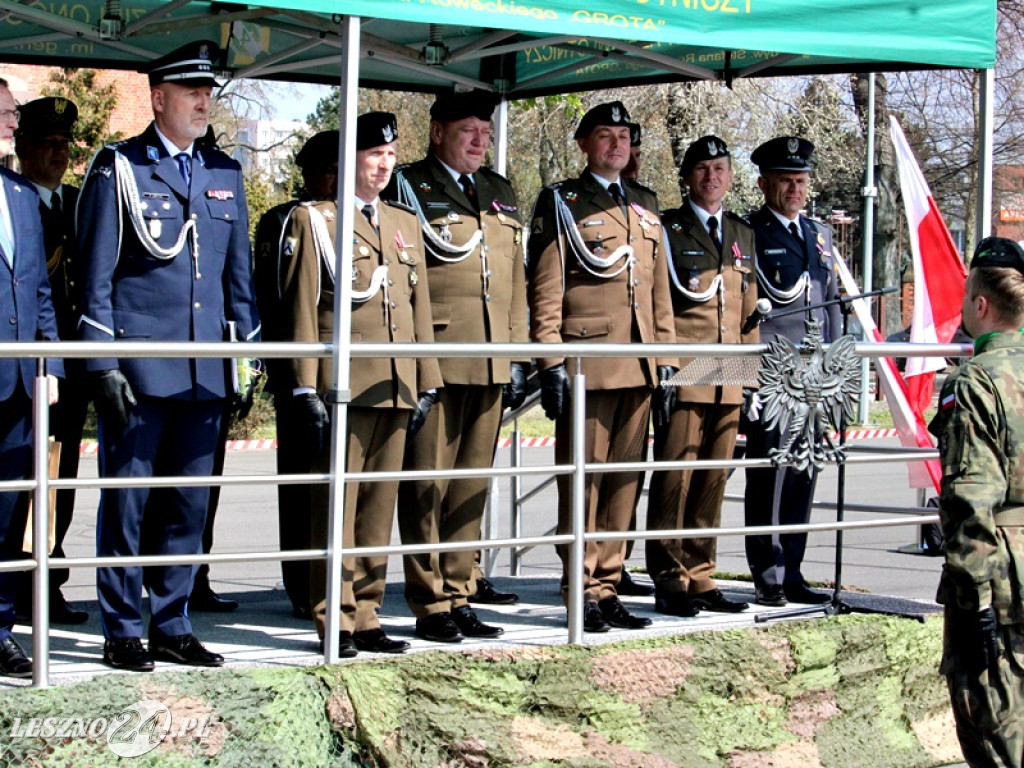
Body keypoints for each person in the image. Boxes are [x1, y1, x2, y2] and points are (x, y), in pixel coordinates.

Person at [77, 41, 260, 672]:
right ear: (159, 99)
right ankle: (124, 627)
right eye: (191, 93)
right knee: (128, 502)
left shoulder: (223, 173)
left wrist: (247, 358)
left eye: (208, 93)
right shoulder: (121, 168)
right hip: (139, 368)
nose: (204, 102)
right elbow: (95, 276)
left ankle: (172, 621)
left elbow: (238, 278)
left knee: (188, 503)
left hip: (205, 369)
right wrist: (101, 363)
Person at [279, 112, 441, 655]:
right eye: (374, 155)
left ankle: (368, 613)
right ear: (348, 160)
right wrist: (305, 386)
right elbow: (303, 307)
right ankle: (335, 617)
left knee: (377, 506)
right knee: (338, 507)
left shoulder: (403, 222)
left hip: (396, 382)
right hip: (343, 385)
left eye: (391, 155)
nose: (384, 165)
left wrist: (427, 380)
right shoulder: (316, 220)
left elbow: (417, 307)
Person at [528, 101, 676, 632]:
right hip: (587, 362)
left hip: (639, 364)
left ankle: (609, 583)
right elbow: (547, 288)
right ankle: (581, 587)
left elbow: (658, 294)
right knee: (584, 483)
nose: (617, 145)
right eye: (606, 136)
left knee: (623, 484)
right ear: (584, 144)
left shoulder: (645, 203)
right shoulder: (563, 201)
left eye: (624, 136)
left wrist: (666, 362)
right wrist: (551, 361)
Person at [387, 90, 528, 643]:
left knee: (471, 485)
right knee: (428, 485)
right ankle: (430, 602)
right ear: (438, 132)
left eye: (485, 133)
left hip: (491, 358)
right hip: (439, 357)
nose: (479, 141)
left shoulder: (498, 191)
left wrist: (516, 354)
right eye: (468, 130)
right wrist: (416, 358)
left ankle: (459, 590)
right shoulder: (407, 185)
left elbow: (513, 278)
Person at [647, 136, 757, 617]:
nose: (712, 177)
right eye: (702, 169)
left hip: (728, 372)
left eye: (720, 168)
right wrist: (665, 367)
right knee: (676, 478)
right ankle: (669, 576)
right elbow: (658, 303)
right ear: (687, 177)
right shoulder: (668, 227)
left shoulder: (740, 233)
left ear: (730, 176)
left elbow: (749, 312)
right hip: (687, 370)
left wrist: (750, 378)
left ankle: (702, 574)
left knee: (713, 479)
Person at [928, 236, 1024, 768]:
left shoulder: (974, 383)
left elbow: (971, 501)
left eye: (966, 296)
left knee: (996, 732)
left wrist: (975, 602)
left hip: (1002, 581)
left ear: (981, 305)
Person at [742, 136, 842, 607]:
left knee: (804, 473)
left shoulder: (819, 234)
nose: (795, 190)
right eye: (786, 181)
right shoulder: (750, 232)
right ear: (765, 184)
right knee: (770, 475)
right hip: (773, 373)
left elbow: (831, 304)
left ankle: (794, 569)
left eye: (801, 181)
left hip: (814, 376)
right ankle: (768, 573)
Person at [254, 130, 339, 619]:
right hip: (299, 374)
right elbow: (275, 297)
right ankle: (303, 586)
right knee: (302, 486)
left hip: (349, 371)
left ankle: (336, 583)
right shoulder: (285, 220)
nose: (331, 179)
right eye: (324, 171)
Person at [12, 96, 88, 625]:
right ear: (22, 148)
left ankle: (48, 578)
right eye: (47, 144)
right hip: (27, 362)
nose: (59, 154)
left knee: (63, 475)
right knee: (21, 474)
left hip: (73, 365)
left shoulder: (80, 204)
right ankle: (17, 580)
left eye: (65, 144)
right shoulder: (13, 200)